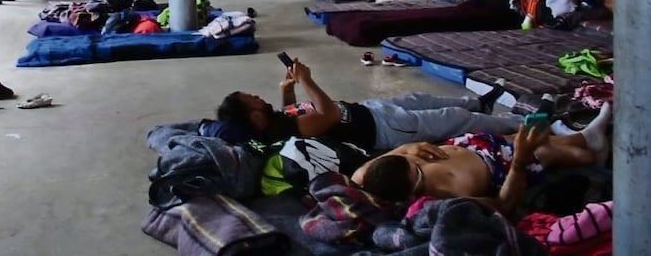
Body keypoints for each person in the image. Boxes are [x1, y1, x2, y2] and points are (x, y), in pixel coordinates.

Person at [354, 103, 612, 215]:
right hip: (502, 167)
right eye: (418, 172)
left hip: (477, 146)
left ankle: (584, 138)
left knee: (530, 138)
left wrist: (407, 149)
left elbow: (367, 170)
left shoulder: (368, 176)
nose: (420, 163)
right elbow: (503, 205)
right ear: (411, 196)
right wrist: (520, 161)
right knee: (552, 152)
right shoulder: (445, 201)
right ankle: (591, 147)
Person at [216, 59, 519, 153]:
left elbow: (289, 113)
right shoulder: (292, 131)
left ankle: (480, 103)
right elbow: (329, 114)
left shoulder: (274, 123)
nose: (258, 96)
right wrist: (308, 81)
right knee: (453, 118)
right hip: (385, 128)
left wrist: (288, 90)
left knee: (421, 99)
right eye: (252, 99)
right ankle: (518, 124)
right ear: (254, 117)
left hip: (370, 110)